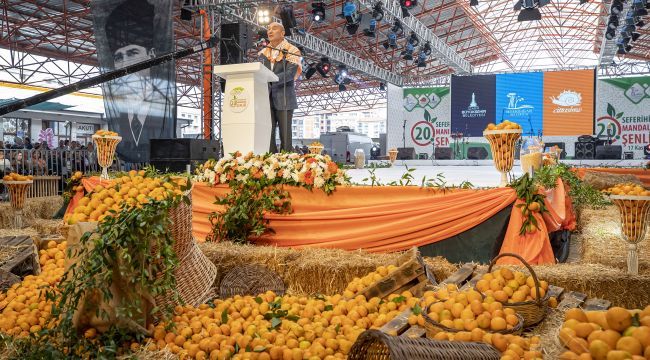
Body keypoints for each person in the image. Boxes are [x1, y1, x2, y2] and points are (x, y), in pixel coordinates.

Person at [97, 0, 175, 163]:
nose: (126, 63)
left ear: (151, 55)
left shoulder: (161, 105)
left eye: (133, 53)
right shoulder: (120, 114)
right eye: (119, 57)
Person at [259, 22, 302, 153]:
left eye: (274, 28)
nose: (270, 31)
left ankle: (286, 165)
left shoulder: (292, 50)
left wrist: (270, 80)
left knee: (285, 136)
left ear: (283, 33)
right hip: (266, 98)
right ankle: (270, 164)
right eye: (268, 29)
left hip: (285, 98)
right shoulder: (263, 53)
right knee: (268, 134)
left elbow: (290, 74)